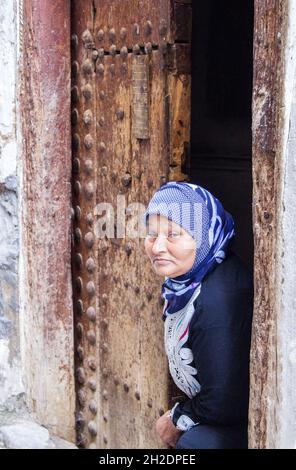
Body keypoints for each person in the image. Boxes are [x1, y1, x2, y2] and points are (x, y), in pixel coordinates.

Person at [143, 181, 253, 449]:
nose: (157, 247)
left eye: (172, 235)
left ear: (204, 235)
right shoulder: (192, 280)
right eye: (151, 234)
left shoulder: (219, 298)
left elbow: (223, 403)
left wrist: (177, 417)